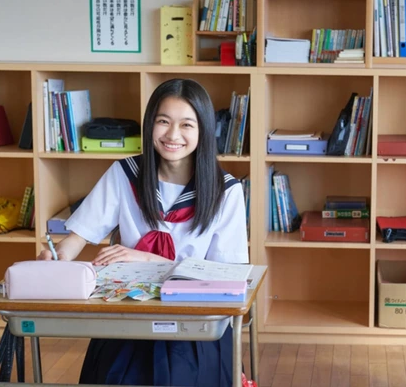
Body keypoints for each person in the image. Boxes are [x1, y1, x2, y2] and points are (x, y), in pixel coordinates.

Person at [37, 78, 248, 386]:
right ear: (150, 124)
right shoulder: (125, 174)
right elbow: (78, 236)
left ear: (203, 130)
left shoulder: (225, 191)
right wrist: (57, 257)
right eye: (163, 121)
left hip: (195, 325)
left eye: (186, 125)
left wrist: (148, 259)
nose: (173, 135)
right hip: (129, 317)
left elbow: (226, 277)